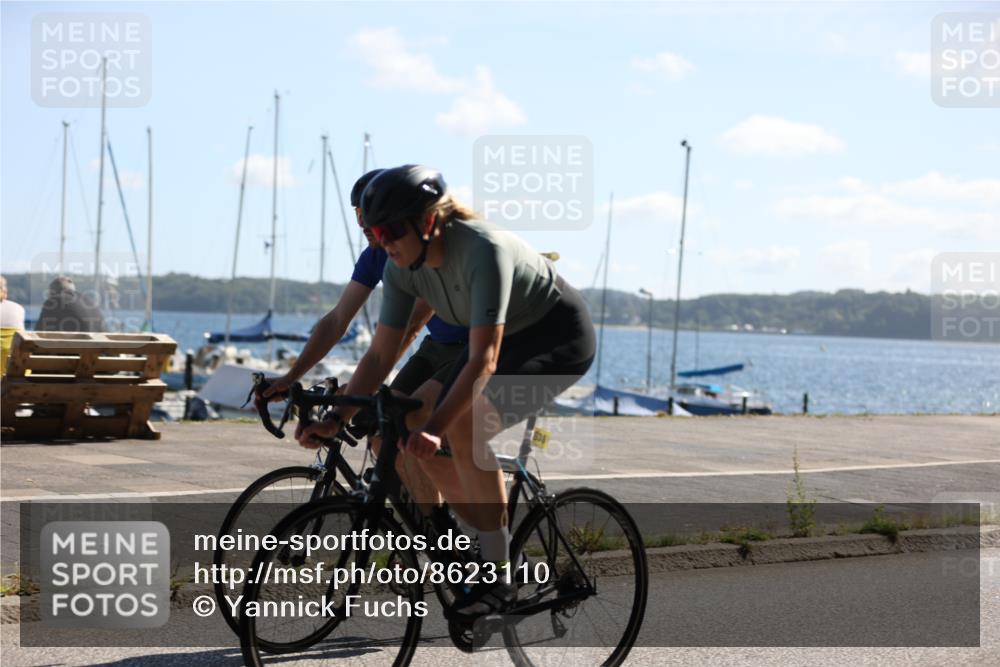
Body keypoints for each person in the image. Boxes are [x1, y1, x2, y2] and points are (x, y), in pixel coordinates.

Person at [298, 165, 596, 616]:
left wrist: (437, 428)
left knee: (464, 427)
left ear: (429, 221)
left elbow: (484, 360)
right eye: (375, 231)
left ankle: (499, 577)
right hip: (500, 337)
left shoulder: (482, 249)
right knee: (404, 424)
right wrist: (336, 420)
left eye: (391, 230)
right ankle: (466, 539)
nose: (382, 241)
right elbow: (380, 356)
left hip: (555, 336)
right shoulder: (402, 267)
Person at [263, 169, 469, 513]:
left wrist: (362, 390)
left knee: (409, 418)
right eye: (358, 215)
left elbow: (411, 325)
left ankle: (473, 527)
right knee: (382, 435)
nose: (365, 226)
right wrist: (291, 376)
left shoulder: (419, 249)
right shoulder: (375, 255)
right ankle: (431, 537)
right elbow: (336, 320)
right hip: (437, 348)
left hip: (471, 348)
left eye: (370, 218)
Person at [35, 276, 106, 332]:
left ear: (52, 292)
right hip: (98, 349)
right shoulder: (90, 302)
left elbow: (39, 332)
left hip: (73, 349)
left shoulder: (53, 302)